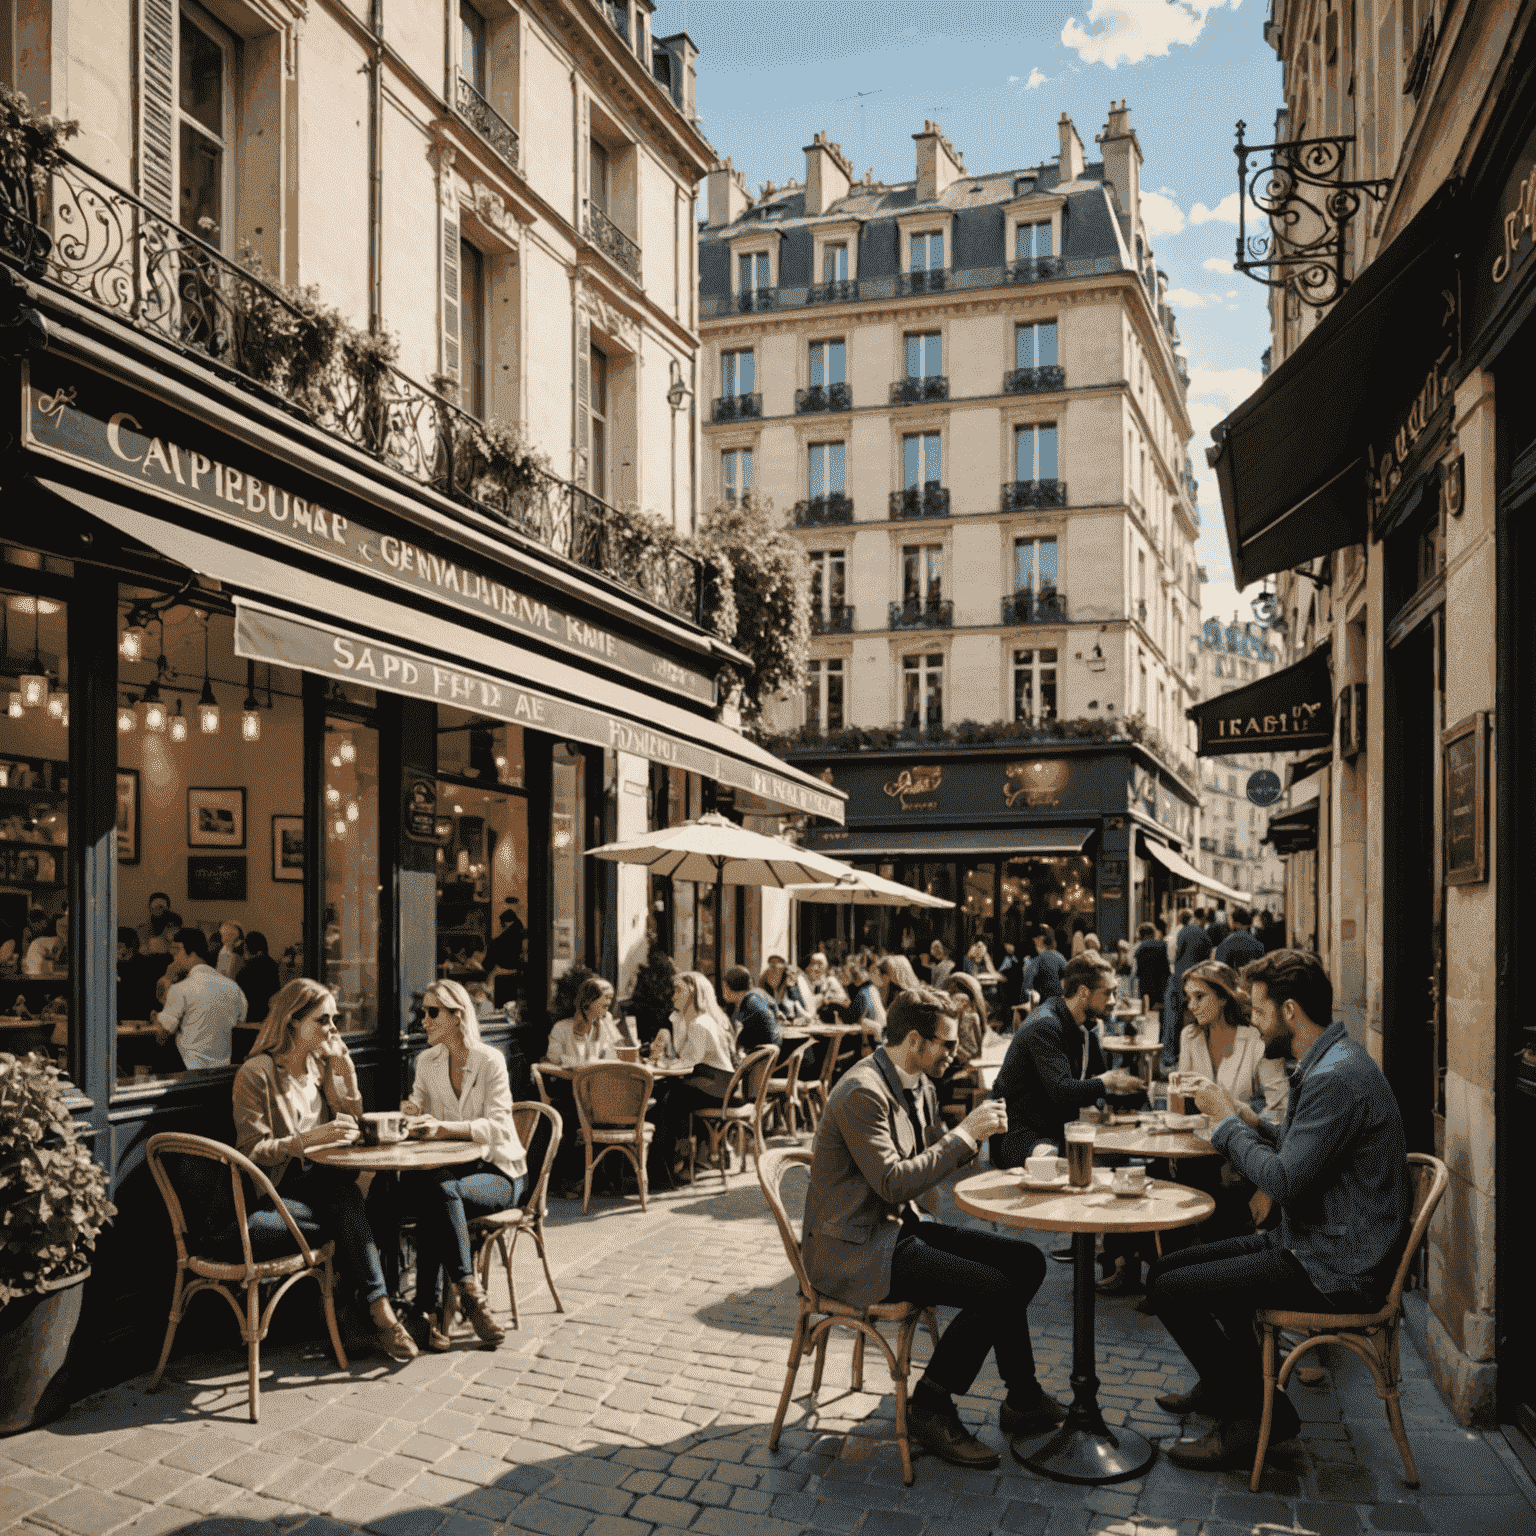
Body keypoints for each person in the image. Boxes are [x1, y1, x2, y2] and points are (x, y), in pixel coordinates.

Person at [1147, 949, 1411, 1470]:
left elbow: (1285, 1182)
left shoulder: (1336, 1077)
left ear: (1290, 1011)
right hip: (1315, 1241)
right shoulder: (1332, 1061)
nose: (1255, 1021)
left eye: (1261, 1011)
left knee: (1168, 1289)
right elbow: (1301, 1151)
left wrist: (1225, 1124)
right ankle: (1229, 1387)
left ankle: (1251, 1415)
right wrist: (1249, 1118)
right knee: (1168, 1269)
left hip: (1334, 1264)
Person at [801, 987, 1061, 1468]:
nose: (956, 1052)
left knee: (1025, 1261)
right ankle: (930, 1405)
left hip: (895, 1230)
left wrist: (993, 1156)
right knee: (994, 1288)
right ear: (915, 1040)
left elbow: (931, 1156)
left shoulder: (915, 1079)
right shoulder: (863, 1091)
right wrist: (967, 1135)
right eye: (946, 1042)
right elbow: (893, 1182)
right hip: (852, 1250)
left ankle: (1023, 1398)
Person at [232, 978, 416, 1362]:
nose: (334, 1028)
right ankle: (377, 1308)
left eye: (336, 1019)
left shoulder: (319, 1069)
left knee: (358, 1193)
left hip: (322, 1186)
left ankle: (367, 1309)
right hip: (277, 1195)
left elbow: (351, 1129)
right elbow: (251, 1151)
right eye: (323, 1020)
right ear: (292, 1022)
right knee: (349, 1199)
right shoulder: (256, 1073)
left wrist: (344, 1072)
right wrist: (306, 1139)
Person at [395, 978, 526, 1350]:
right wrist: (411, 1111)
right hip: (451, 1175)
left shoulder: (490, 1061)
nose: (424, 1020)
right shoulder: (426, 1060)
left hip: (498, 1171)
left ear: (458, 1015)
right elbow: (416, 1102)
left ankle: (428, 1312)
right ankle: (468, 1295)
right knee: (436, 1193)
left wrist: (442, 1128)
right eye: (422, 1012)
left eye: (432, 1012)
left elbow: (499, 1127)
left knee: (434, 1197)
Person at [987, 955, 1143, 1170]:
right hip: (1023, 1138)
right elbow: (1062, 1090)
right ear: (1082, 993)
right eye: (1107, 993)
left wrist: (1131, 1094)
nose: (1113, 1001)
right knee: (1095, 1165)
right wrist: (1107, 1083)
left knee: (1120, 1157)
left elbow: (1097, 1082)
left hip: (1057, 1131)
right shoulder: (1045, 1026)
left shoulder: (1084, 1028)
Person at [652, 971, 738, 1177]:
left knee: (671, 1098)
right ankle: (681, 1157)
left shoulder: (699, 1024)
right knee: (671, 1093)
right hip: (717, 1080)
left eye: (678, 990)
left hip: (715, 1082)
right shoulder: (697, 1020)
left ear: (693, 993)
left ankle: (676, 1158)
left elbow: (689, 1062)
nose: (673, 996)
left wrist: (661, 1065)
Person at [152, 927, 246, 1070]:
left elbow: (162, 1038)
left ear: (187, 950)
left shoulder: (180, 989)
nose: (174, 958)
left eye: (176, 951)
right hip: (223, 1073)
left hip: (186, 1074)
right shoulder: (234, 988)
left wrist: (167, 982)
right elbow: (240, 1025)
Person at [1161, 909, 1214, 1074]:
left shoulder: (1181, 932)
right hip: (1197, 981)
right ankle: (1191, 1058)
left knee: (1172, 1018)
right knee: (1194, 1019)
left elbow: (1172, 956)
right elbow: (1207, 958)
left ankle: (1170, 1056)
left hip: (1178, 978)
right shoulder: (1204, 934)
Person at [546, 976, 623, 1065]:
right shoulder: (561, 1028)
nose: (609, 1002)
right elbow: (554, 1059)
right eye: (606, 997)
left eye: (610, 998)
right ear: (589, 1000)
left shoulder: (605, 1024)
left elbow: (617, 1055)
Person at [721, 964, 783, 1055]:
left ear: (728, 987)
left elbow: (738, 1040)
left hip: (760, 1056)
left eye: (723, 987)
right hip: (775, 1051)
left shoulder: (749, 1004)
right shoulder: (759, 993)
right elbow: (779, 1013)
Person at [116, 927, 168, 1021]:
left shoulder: (147, 965)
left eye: (119, 946)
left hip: (143, 1019)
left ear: (130, 947)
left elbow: (146, 996)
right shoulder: (113, 966)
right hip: (118, 1020)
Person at [483, 901, 526, 1008]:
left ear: (504, 924)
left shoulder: (498, 942)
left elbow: (487, 964)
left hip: (501, 981)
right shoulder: (522, 935)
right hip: (519, 980)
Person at [834, 958, 886, 1037]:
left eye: (843, 971)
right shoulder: (872, 988)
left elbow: (854, 1022)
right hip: (881, 1034)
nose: (839, 974)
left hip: (872, 1039)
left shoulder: (863, 993)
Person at [236, 931, 281, 1023]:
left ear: (248, 948)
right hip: (269, 1017)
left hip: (250, 1017)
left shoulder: (246, 970)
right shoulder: (273, 965)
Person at [1134, 921, 1171, 1018]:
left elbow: (1137, 971)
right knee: (1162, 1017)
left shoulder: (1139, 949)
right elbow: (1166, 968)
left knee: (1146, 1016)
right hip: (1161, 987)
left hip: (1145, 987)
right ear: (1153, 933)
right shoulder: (1162, 946)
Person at [1020, 924, 1067, 1003]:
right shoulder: (1061, 958)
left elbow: (1026, 992)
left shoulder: (1036, 962)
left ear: (1040, 939)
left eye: (1035, 939)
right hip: (1061, 1006)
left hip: (1043, 1009)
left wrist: (1026, 971)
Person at [760, 955, 813, 1022]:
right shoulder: (764, 980)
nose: (776, 974)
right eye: (773, 968)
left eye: (779, 971)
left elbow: (806, 1014)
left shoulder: (791, 984)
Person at [803, 952, 849, 1019]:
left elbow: (846, 1002)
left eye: (819, 964)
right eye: (813, 963)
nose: (816, 967)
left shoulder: (830, 981)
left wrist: (829, 998)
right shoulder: (811, 983)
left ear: (825, 966)